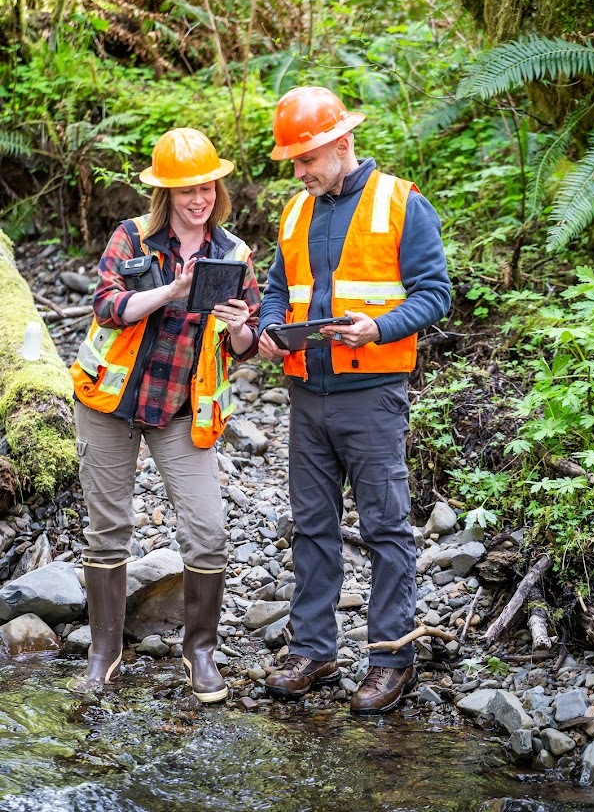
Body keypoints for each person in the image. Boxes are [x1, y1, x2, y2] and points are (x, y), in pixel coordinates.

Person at [258, 87, 451, 715]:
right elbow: (274, 292)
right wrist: (261, 332)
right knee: (311, 527)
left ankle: (393, 657)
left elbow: (434, 294)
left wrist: (378, 327)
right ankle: (313, 650)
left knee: (386, 527)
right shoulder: (294, 212)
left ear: (342, 143)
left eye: (308, 157)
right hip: (306, 396)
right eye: (294, 161)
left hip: (372, 396)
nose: (301, 171)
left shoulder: (402, 203)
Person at [68, 127, 260, 702]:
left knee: (208, 533)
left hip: (182, 410)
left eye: (205, 188)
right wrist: (172, 290)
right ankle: (106, 650)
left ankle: (199, 651)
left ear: (217, 189)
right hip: (109, 403)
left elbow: (247, 346)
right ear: (166, 195)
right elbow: (106, 306)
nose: (197, 199)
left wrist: (238, 327)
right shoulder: (131, 238)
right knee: (109, 530)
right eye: (185, 191)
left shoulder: (234, 255)